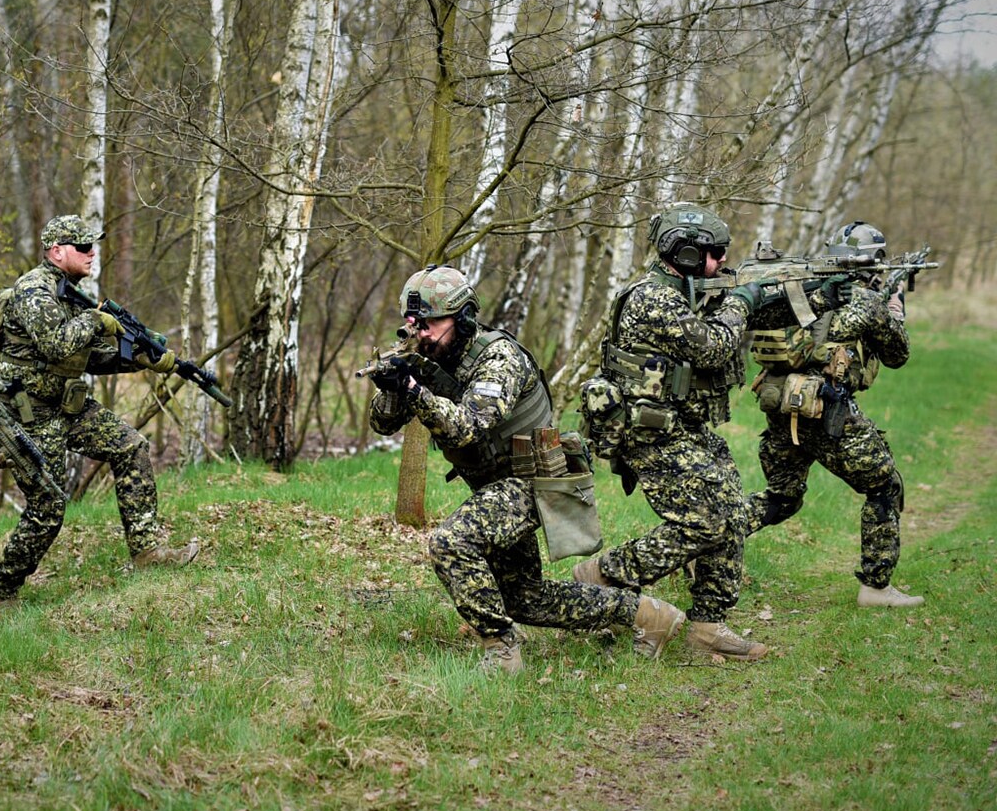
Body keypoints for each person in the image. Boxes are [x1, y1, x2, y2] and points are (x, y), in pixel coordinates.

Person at [367, 265, 685, 675]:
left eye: (431, 324)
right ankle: (648, 616)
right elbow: (382, 424)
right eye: (414, 325)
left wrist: (415, 391)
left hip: (534, 478)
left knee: (451, 542)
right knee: (524, 599)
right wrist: (393, 389)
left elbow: (467, 427)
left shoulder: (499, 358)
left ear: (463, 317)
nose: (422, 334)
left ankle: (501, 651)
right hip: (498, 484)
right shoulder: (430, 355)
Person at [572, 202, 771, 661]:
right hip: (650, 434)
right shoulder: (653, 298)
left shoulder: (683, 290)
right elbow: (714, 348)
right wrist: (743, 300)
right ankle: (605, 575)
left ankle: (707, 626)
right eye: (714, 253)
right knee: (704, 521)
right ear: (683, 255)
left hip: (685, 427)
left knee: (732, 516)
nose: (721, 262)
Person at [0, 215, 197, 607]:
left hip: (68, 405)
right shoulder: (33, 290)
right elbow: (55, 345)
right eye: (83, 247)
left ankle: (148, 551)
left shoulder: (69, 293)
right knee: (48, 506)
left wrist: (143, 359)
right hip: (30, 413)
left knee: (130, 447)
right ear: (57, 251)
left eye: (92, 245)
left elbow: (87, 358)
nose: (92, 253)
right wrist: (97, 320)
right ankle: (1, 592)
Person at [745, 221, 922, 607]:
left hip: (783, 407)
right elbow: (897, 355)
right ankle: (876, 588)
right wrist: (896, 310)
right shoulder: (866, 302)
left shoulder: (800, 291)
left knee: (781, 499)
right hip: (830, 415)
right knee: (884, 486)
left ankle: (708, 539)